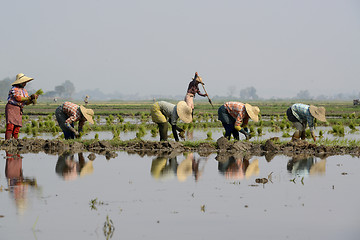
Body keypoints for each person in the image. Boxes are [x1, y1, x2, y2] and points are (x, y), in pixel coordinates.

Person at [5, 73, 39, 139]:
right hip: (11, 108)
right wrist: (29, 98)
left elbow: (26, 102)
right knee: (10, 126)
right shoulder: (14, 89)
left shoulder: (24, 91)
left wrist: (32, 99)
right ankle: (7, 142)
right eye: (23, 82)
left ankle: (15, 141)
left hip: (18, 109)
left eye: (25, 82)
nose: (25, 84)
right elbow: (18, 98)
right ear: (20, 82)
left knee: (17, 128)